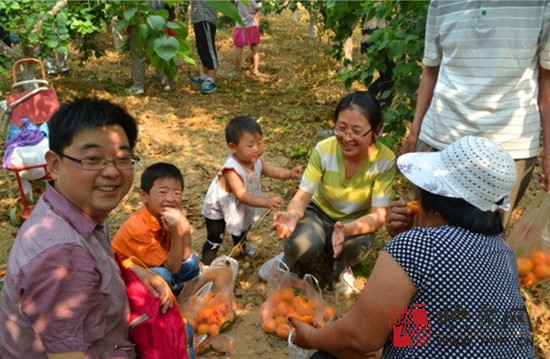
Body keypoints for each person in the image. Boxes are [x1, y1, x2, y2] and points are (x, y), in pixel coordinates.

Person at [290, 136, 536, 358]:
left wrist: (309, 337)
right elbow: (433, 314)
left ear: (433, 196)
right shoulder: (503, 253)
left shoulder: (416, 246)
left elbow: (359, 338)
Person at [0, 98, 173, 358]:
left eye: (122, 159)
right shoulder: (62, 258)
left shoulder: (70, 208)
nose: (112, 172)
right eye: (92, 159)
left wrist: (133, 271)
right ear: (54, 164)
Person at [401, 0, 550, 228]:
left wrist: (548, 153)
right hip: (440, 138)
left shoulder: (540, 4)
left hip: (507, 150)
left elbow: (546, 80)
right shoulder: (441, 3)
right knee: (428, 233)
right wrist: (415, 132)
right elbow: (431, 70)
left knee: (484, 241)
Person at [270, 91, 396, 294]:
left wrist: (346, 229)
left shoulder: (385, 160)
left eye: (356, 131)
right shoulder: (324, 149)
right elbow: (303, 196)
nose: (347, 138)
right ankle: (288, 261)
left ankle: (340, 269)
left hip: (354, 221)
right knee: (300, 243)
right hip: (318, 214)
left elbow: (378, 216)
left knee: (358, 246)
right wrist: (293, 215)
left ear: (377, 130)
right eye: (341, 128)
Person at [201, 115, 303, 265]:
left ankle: (240, 248)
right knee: (216, 237)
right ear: (233, 147)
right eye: (250, 145)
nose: (257, 149)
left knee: (242, 227)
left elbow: (272, 170)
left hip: (238, 206)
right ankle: (206, 264)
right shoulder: (232, 170)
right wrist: (265, 202)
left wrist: (289, 174)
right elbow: (242, 195)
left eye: (260, 143)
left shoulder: (256, 161)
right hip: (219, 208)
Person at [111, 162, 200, 294]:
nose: (170, 199)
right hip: (126, 275)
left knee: (192, 262)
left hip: (159, 264)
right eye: (162, 192)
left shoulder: (166, 216)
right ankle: (174, 290)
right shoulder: (139, 229)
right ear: (144, 196)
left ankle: (176, 287)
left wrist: (184, 226)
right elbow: (173, 269)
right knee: (164, 275)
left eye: (177, 193)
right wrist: (176, 234)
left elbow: (185, 256)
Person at [190, 0, 219, 94]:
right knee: (201, 47)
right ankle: (205, 76)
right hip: (198, 17)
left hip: (206, 16)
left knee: (208, 48)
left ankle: (211, 79)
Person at [230, 0, 262, 78]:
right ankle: (256, 70)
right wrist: (257, 27)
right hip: (253, 25)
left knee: (239, 50)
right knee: (255, 49)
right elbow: (257, 13)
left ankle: (236, 71)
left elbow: (235, 7)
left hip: (240, 25)